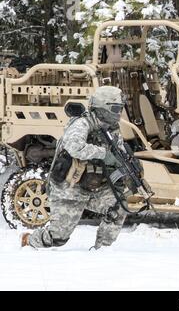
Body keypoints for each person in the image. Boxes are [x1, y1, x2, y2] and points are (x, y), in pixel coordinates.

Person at [21, 86, 132, 250]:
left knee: (118, 206)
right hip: (69, 189)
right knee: (58, 238)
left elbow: (118, 152)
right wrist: (103, 153)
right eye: (115, 108)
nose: (118, 113)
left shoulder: (112, 129)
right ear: (103, 107)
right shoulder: (82, 123)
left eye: (120, 109)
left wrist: (124, 169)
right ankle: (30, 241)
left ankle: (103, 250)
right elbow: (75, 147)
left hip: (94, 187)